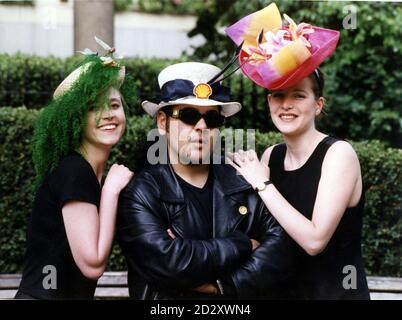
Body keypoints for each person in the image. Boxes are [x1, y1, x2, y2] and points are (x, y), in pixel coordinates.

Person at [225, 3, 370, 299]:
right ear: (268, 102)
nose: (286, 104)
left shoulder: (338, 155)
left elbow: (315, 240)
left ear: (318, 105)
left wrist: (262, 184)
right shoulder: (271, 157)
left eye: (299, 95)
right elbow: (262, 237)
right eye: (278, 95)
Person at [117, 61, 296, 300]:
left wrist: (219, 286)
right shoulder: (143, 192)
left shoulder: (245, 180)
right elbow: (169, 265)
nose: (201, 126)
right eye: (189, 115)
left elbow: (281, 256)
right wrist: (242, 244)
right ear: (163, 122)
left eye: (212, 118)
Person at [16, 39, 134, 299]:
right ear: (76, 119)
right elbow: (92, 264)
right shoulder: (74, 171)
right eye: (93, 108)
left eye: (114, 105)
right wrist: (111, 192)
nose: (108, 115)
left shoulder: (86, 170)